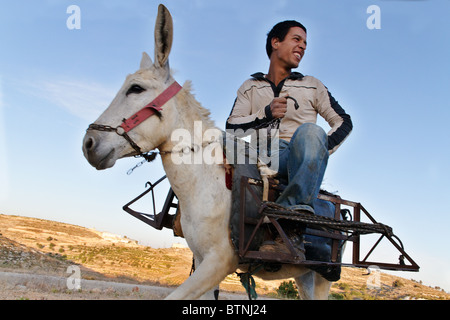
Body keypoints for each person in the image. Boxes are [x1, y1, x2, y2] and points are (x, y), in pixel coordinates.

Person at [226, 20, 352, 217]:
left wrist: (316, 150)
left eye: (305, 43)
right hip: (255, 154)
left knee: (311, 131)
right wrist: (265, 113)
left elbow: (344, 122)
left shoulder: (312, 85)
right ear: (276, 42)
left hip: (293, 154)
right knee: (212, 138)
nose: (302, 46)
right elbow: (232, 127)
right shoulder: (250, 86)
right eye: (296, 39)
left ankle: (289, 213)